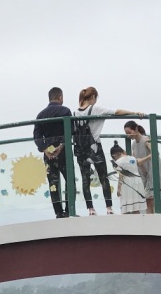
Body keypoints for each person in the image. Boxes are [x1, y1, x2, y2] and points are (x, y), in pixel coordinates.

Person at [73, 88, 146, 216]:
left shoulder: (74, 113)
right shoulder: (95, 109)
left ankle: (91, 209)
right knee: (103, 178)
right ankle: (109, 208)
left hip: (81, 151)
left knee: (85, 180)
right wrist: (134, 112)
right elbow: (116, 112)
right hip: (95, 148)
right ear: (93, 97)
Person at [33, 87, 72, 218]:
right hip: (63, 152)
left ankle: (58, 212)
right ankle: (69, 209)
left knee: (53, 183)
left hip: (48, 154)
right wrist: (61, 145)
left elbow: (37, 136)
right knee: (69, 180)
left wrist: (45, 149)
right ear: (60, 97)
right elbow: (70, 130)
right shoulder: (65, 111)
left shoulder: (40, 115)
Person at [124, 120, 161, 214]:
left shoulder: (145, 140)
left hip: (153, 171)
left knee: (150, 200)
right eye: (127, 134)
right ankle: (150, 219)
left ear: (136, 129)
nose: (129, 135)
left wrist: (142, 160)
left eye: (130, 132)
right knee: (146, 200)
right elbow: (135, 160)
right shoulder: (133, 145)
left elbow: (155, 153)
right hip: (144, 173)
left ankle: (151, 221)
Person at [110, 143, 147, 214]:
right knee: (136, 208)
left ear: (114, 155)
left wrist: (118, 189)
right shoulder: (132, 158)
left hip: (127, 184)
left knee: (126, 207)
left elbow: (121, 176)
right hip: (138, 182)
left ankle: (126, 224)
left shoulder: (118, 162)